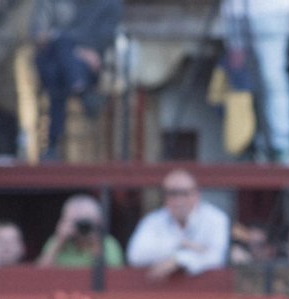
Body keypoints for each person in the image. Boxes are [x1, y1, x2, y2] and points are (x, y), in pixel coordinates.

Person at [30, 0, 120, 160]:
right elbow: (38, 35)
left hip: (76, 67)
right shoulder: (47, 4)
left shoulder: (107, 5)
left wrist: (68, 43)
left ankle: (51, 145)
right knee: (60, 45)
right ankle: (81, 89)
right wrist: (76, 49)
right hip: (56, 59)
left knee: (55, 76)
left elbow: (97, 37)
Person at [220, 0, 289, 165]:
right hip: (234, 9)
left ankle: (281, 144)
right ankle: (254, 142)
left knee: (271, 74)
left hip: (270, 8)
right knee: (241, 77)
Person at [125, 169, 231, 278]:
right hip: (161, 291)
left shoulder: (215, 218)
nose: (178, 200)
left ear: (197, 194)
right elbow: (135, 256)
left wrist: (178, 260)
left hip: (207, 292)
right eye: (172, 193)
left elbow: (216, 258)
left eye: (184, 193)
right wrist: (179, 244)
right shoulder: (153, 221)